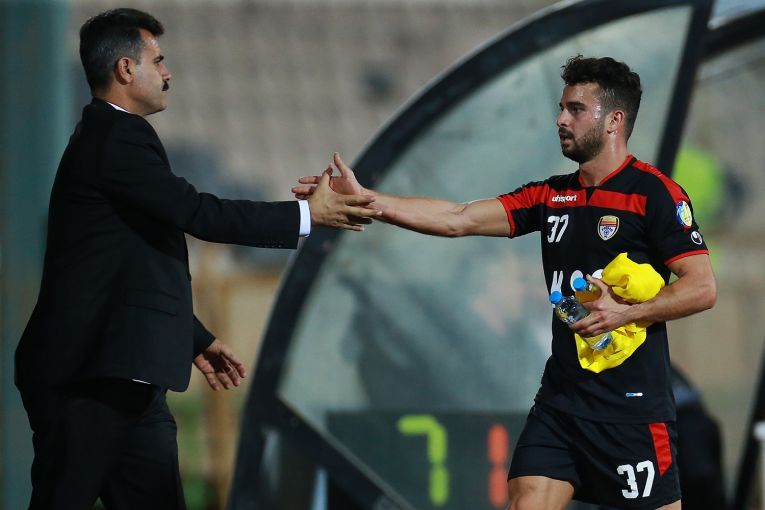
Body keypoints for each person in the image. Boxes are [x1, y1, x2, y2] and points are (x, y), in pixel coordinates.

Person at [293, 56, 717, 510]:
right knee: (526, 500)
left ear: (614, 121)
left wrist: (627, 312)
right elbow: (459, 217)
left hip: (629, 408)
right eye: (561, 107)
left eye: (576, 109)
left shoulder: (653, 195)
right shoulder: (552, 194)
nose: (561, 119)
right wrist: (369, 200)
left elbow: (702, 287)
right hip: (561, 403)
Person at [14, 8, 379, 510]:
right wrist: (306, 214)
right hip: (90, 379)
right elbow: (200, 213)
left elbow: (129, 268)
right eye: (158, 61)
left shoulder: (109, 138)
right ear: (126, 69)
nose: (167, 73)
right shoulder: (115, 138)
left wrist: (194, 338)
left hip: (127, 379)